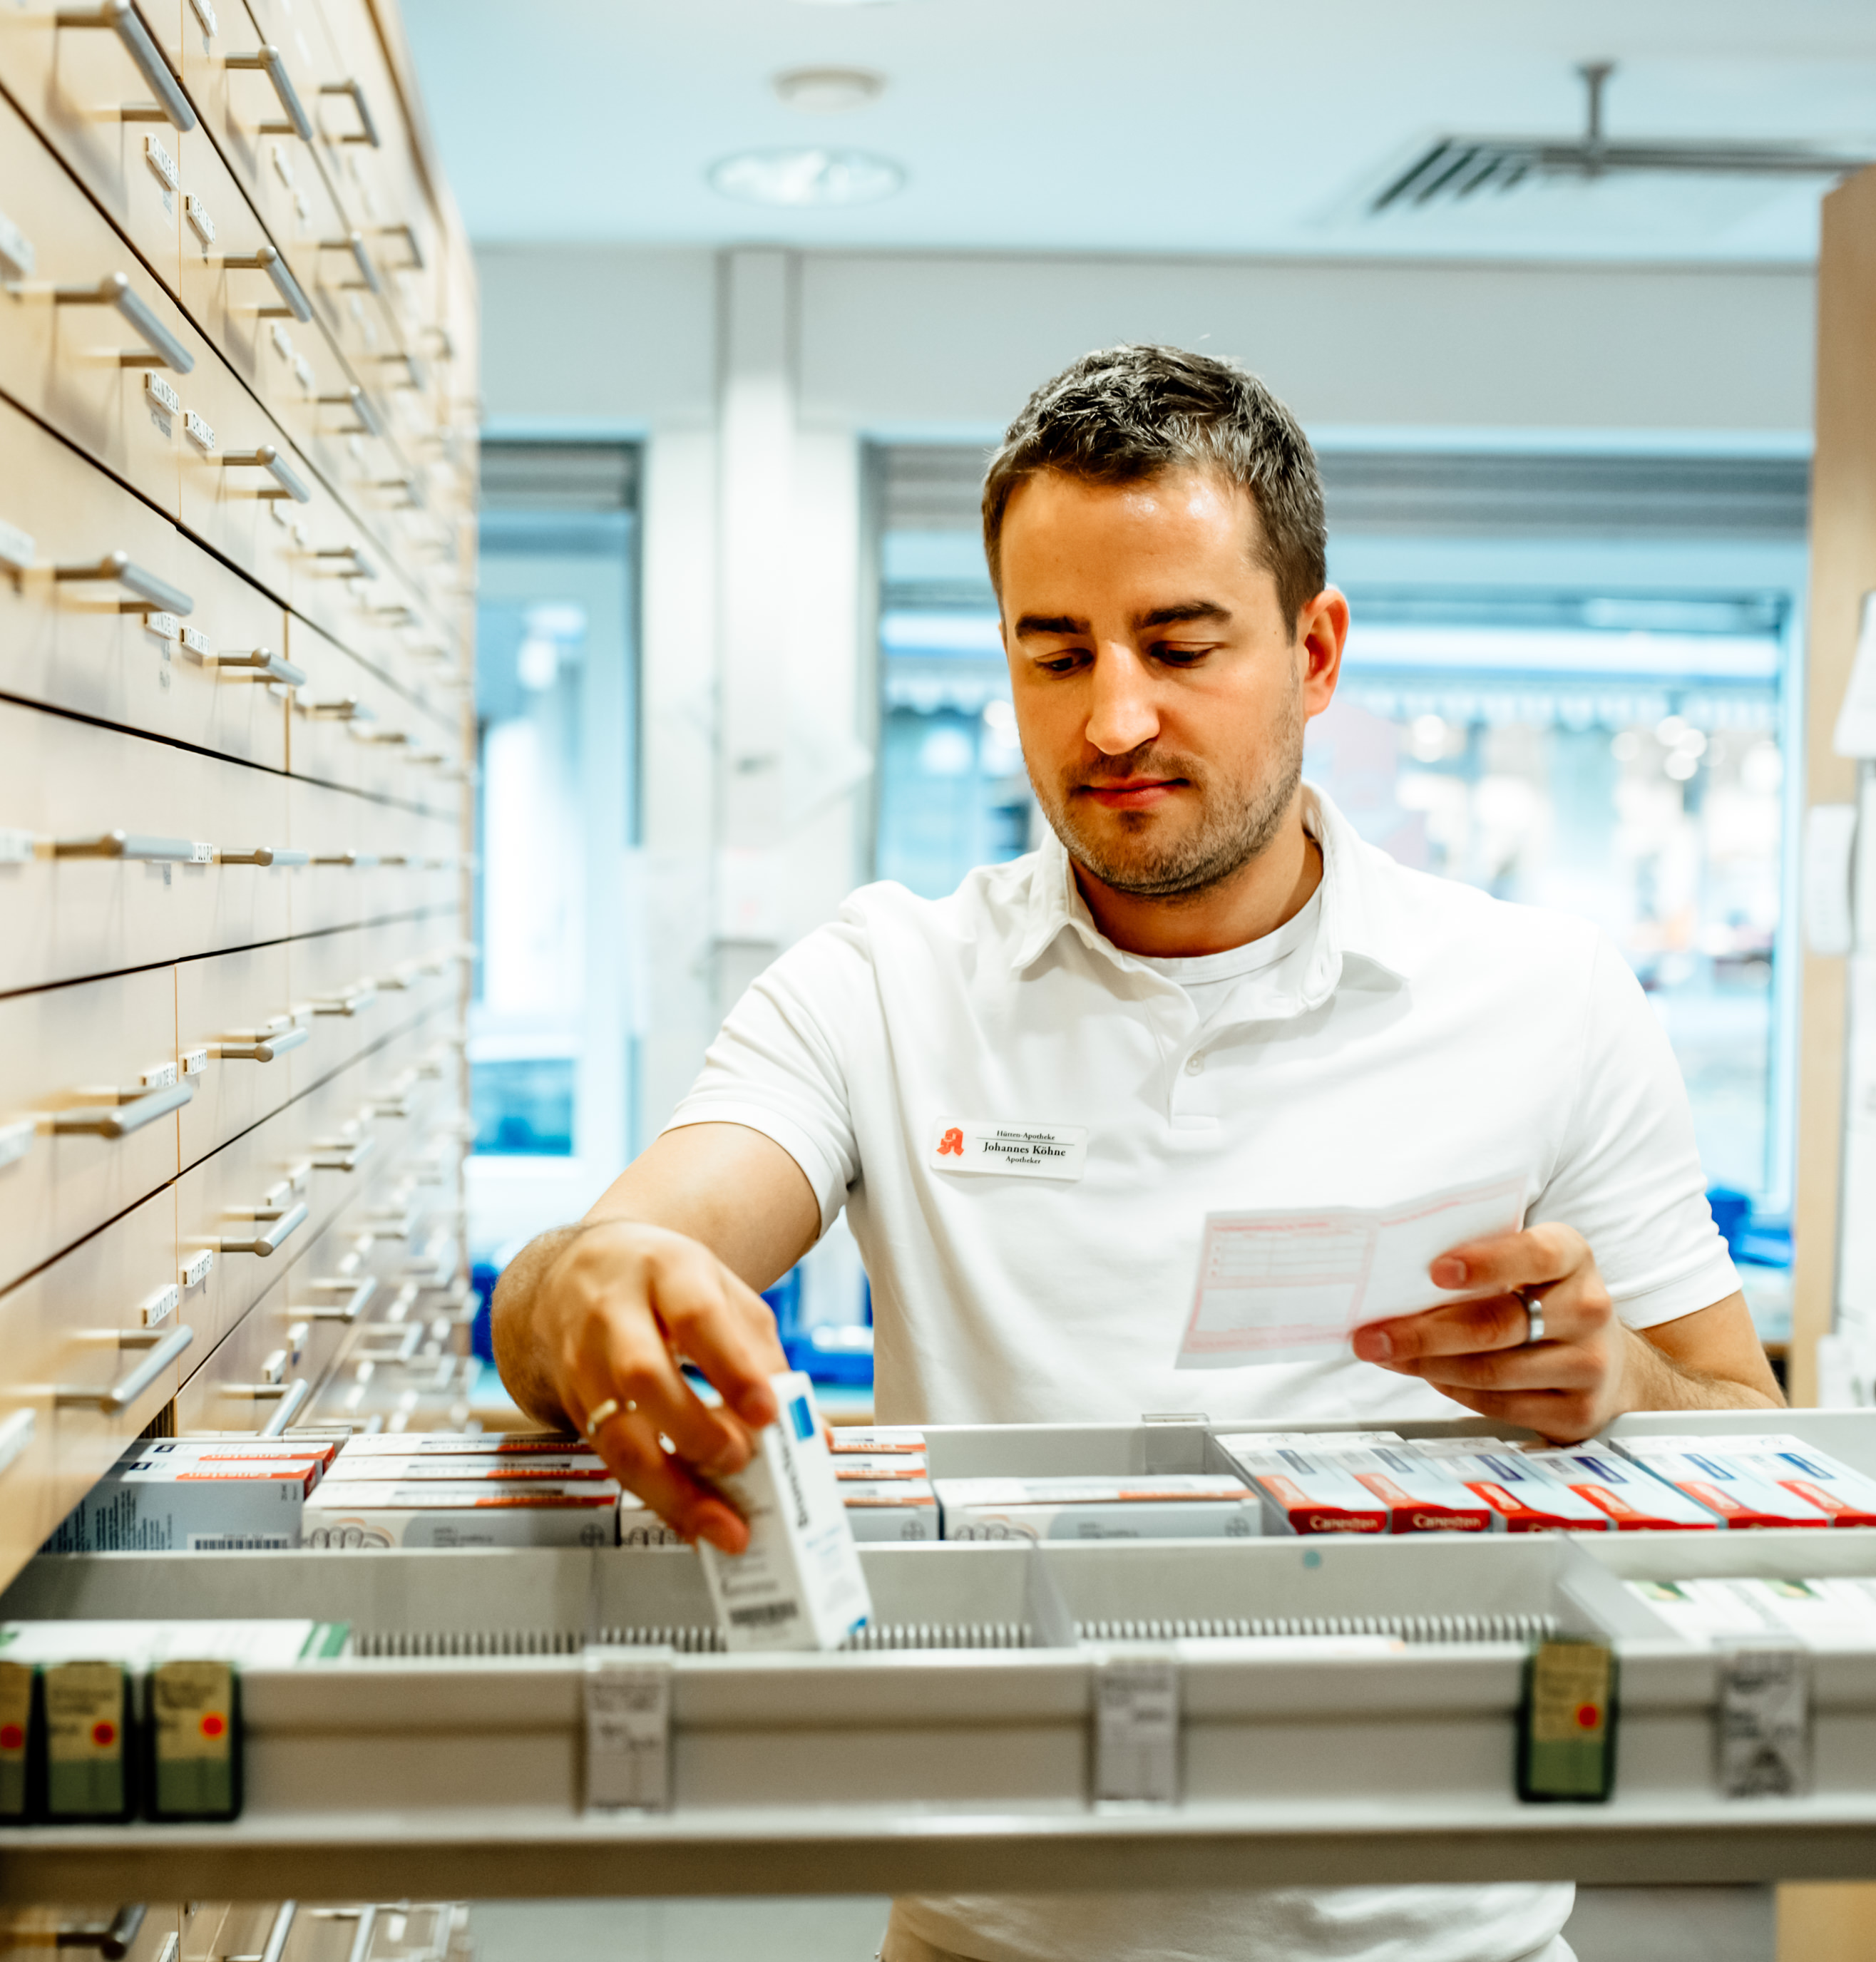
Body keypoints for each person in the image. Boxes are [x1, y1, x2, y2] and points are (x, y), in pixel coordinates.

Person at [486, 343, 1785, 1962]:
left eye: (1179, 644)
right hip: (990, 1936)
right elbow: (607, 1262)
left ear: (1315, 652)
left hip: (1442, 1941)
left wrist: (1621, 1386)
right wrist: (585, 1286)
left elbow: (1747, 1444)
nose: (1113, 716)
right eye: (1056, 651)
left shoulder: (1545, 994)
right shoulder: (887, 978)